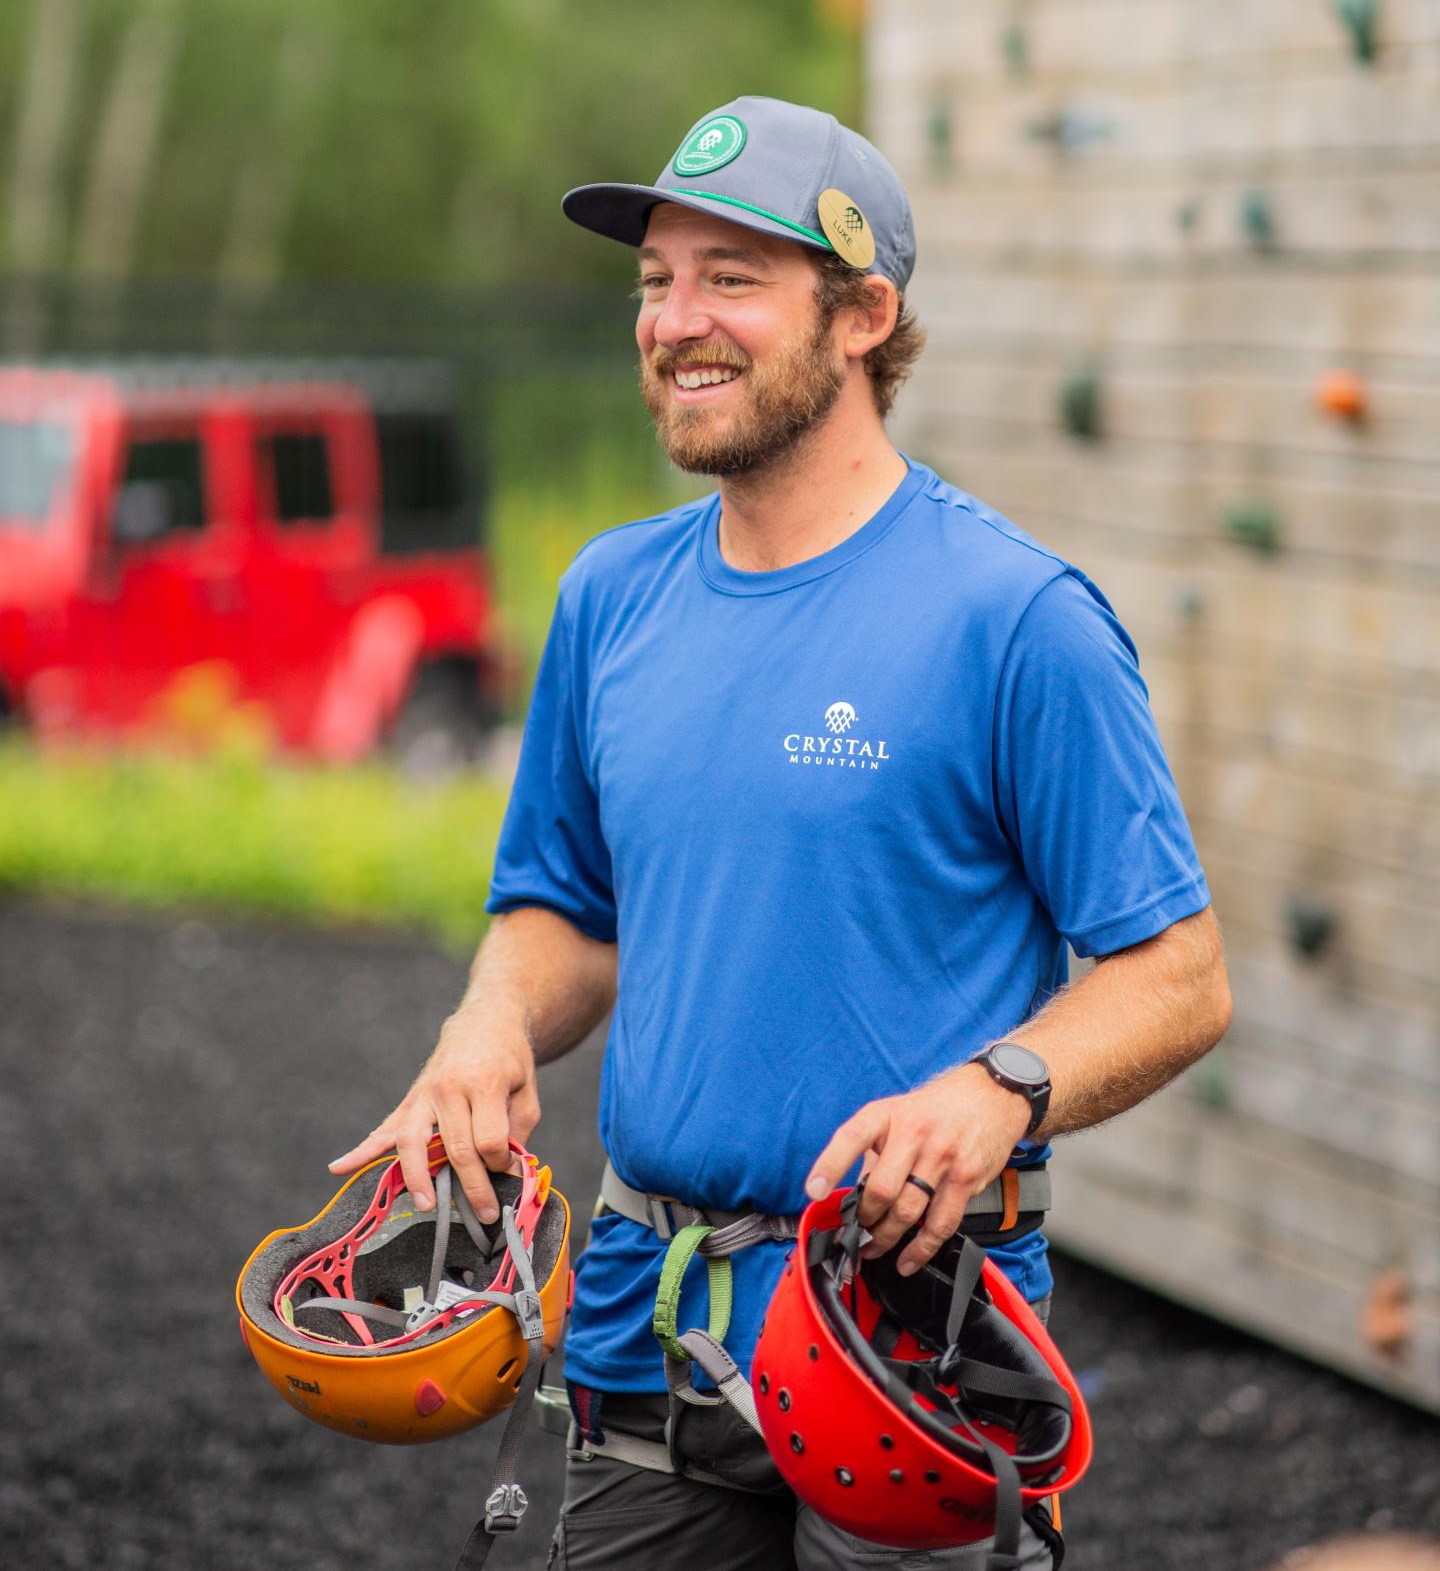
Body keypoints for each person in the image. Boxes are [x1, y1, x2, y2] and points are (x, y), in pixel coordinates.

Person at [333, 97, 1233, 1569]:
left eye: (732, 279)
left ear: (865, 311)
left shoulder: (1014, 619)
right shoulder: (610, 597)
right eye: (654, 280)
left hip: (904, 1355)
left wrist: (1006, 1081)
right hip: (642, 1333)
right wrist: (488, 1021)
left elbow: (1181, 971)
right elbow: (562, 910)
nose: (675, 320)